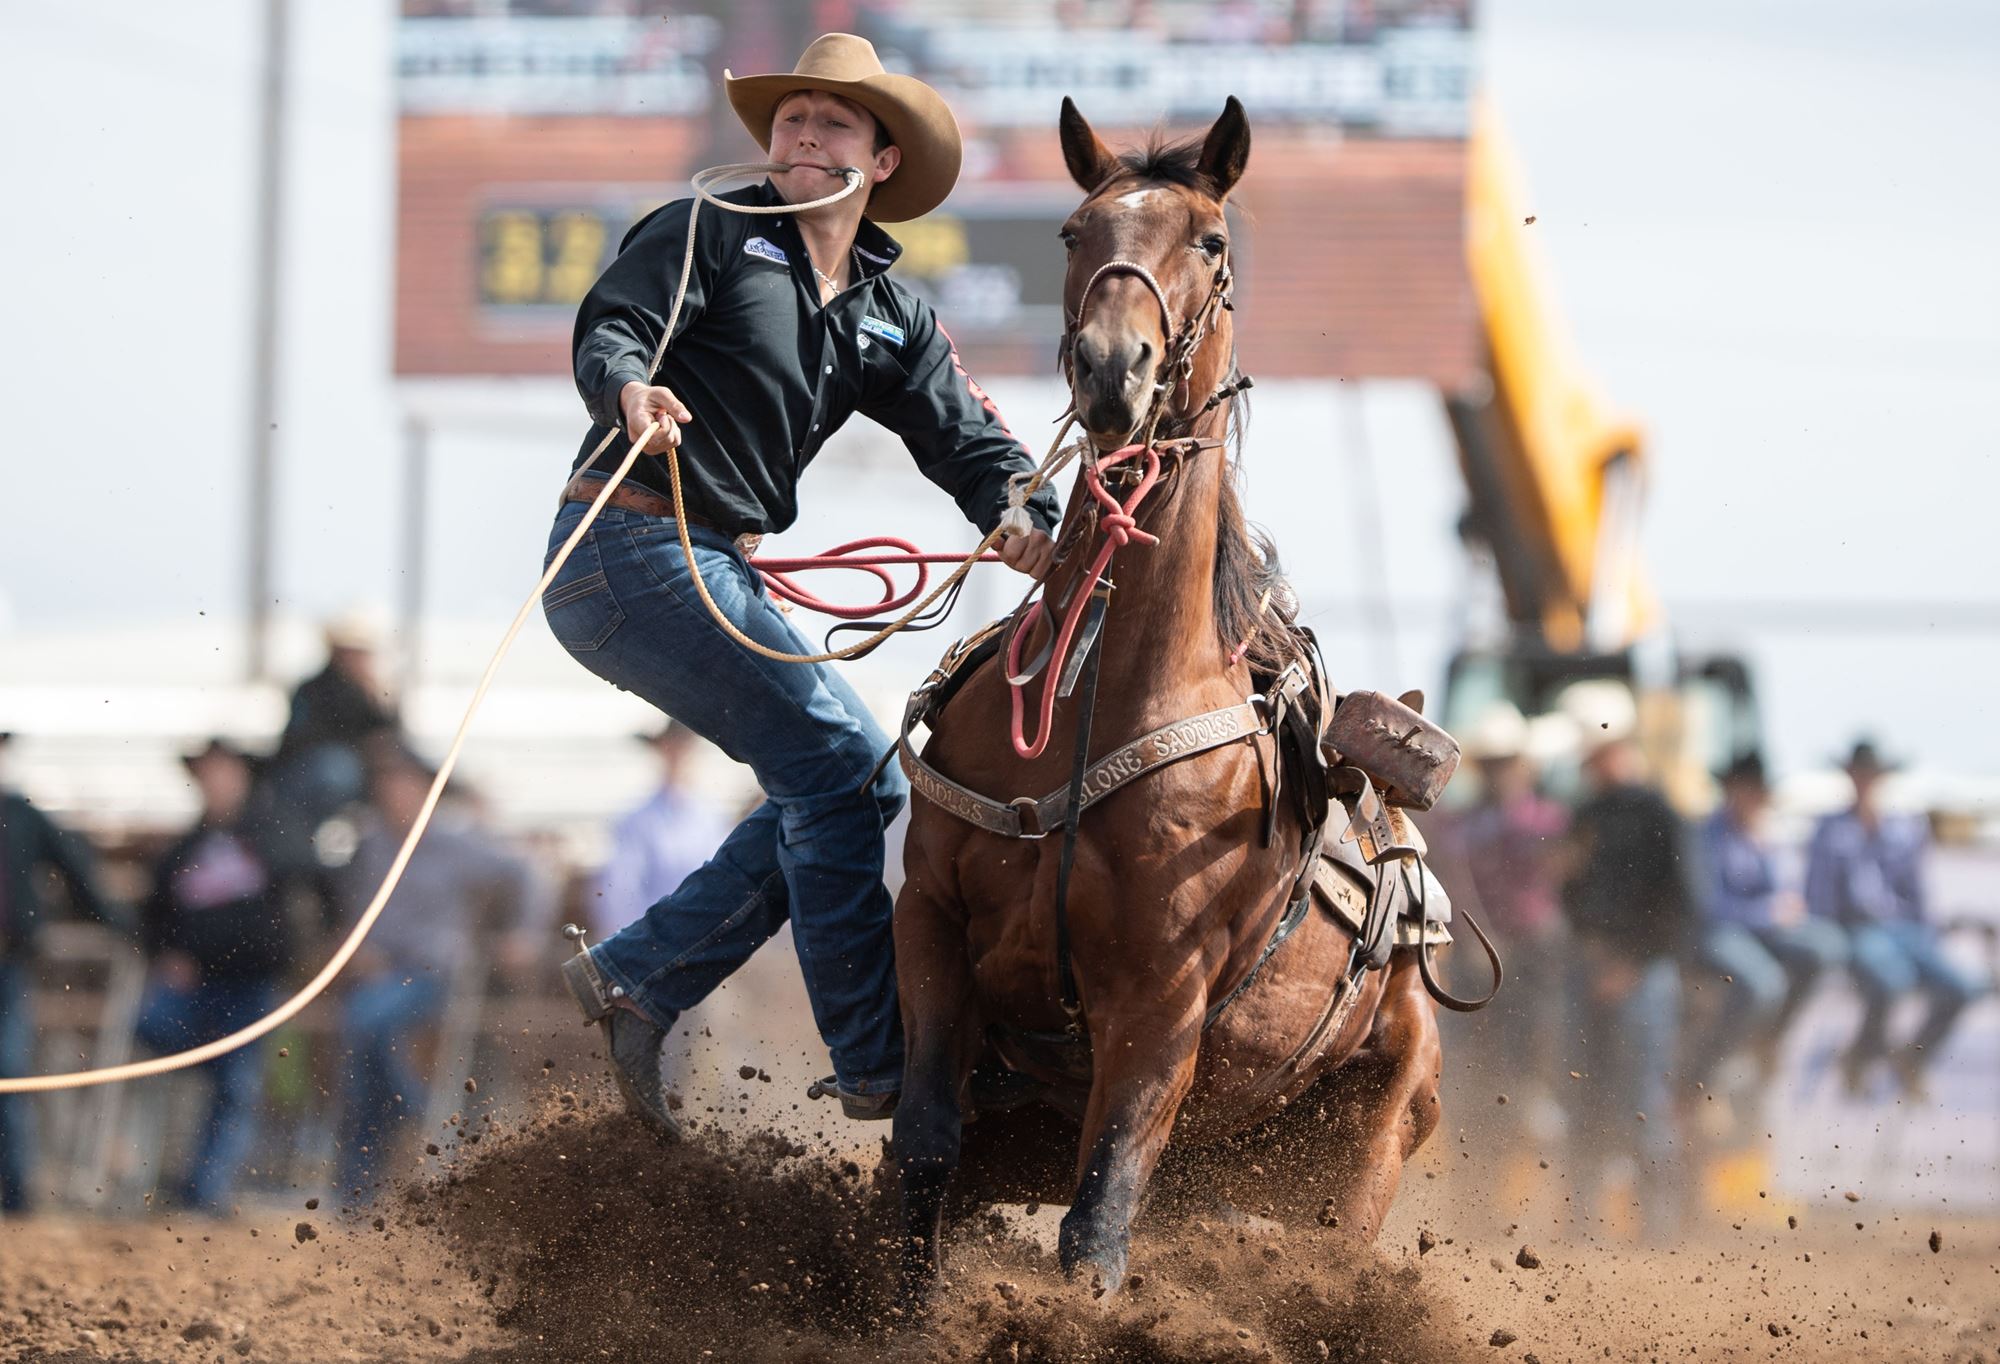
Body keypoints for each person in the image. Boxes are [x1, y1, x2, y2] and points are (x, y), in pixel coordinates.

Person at [546, 33, 1060, 1135]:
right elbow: (616, 326)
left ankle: (639, 977)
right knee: (844, 774)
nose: (803, 133)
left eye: (832, 121)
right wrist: (629, 386)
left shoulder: (888, 311)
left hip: (702, 559)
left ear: (878, 162)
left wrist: (1030, 518)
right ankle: (878, 1061)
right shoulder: (708, 232)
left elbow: (971, 444)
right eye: (791, 119)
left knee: (840, 783)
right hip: (623, 547)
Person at [333, 748, 539, 1197]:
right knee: (365, 1055)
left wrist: (524, 932)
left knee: (365, 1024)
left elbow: (525, 871)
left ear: (426, 789)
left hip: (435, 975)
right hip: (381, 977)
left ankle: (408, 1109)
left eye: (403, 782)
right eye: (387, 783)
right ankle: (403, 1115)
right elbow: (355, 911)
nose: (394, 792)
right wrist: (359, 947)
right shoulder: (369, 846)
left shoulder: (456, 843)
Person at [135, 738, 295, 1212]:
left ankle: (205, 1192)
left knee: (237, 1086)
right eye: (207, 774)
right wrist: (166, 954)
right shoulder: (185, 848)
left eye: (224, 772)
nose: (216, 782)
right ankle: (216, 1067)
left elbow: (291, 910)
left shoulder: (272, 839)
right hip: (194, 983)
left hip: (249, 981)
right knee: (152, 1030)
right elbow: (154, 914)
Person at [1559, 700, 1696, 1241]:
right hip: (1593, 969)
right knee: (1585, 1095)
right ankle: (1581, 1222)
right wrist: (1594, 955)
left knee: (1642, 1100)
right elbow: (1570, 891)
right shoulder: (1588, 815)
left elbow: (1681, 904)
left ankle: (1656, 1225)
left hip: (1642, 975)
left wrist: (1631, 965)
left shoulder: (1660, 814)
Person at [1806, 738, 1981, 1099]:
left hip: (1905, 931)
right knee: (1890, 980)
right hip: (1858, 931)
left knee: (1962, 986)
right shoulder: (1831, 830)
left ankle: (1911, 1059)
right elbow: (1819, 899)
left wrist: (1928, 937)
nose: (1866, 781)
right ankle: (1861, 1057)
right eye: (1860, 774)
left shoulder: (1903, 829)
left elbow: (1917, 896)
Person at [0, 731, 116, 1214]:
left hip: (7, 961)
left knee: (8, 1071)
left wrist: (117, 921)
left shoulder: (21, 816)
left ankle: (17, 1197)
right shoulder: (21, 815)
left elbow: (78, 869)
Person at [1444, 703, 1569, 1143]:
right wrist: (1474, 939)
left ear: (1523, 765)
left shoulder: (1546, 819)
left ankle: (1537, 1092)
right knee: (1469, 1039)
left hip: (1532, 945)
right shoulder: (1465, 823)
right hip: (1479, 947)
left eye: (1506, 763)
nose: (1499, 773)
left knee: (1538, 1022)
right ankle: (1467, 1109)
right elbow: (1457, 886)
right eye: (1492, 764)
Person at [1684, 753, 1846, 1089]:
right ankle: (1708, 1073)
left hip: (1760, 931)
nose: (1756, 798)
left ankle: (1769, 1039)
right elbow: (1710, 904)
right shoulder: (1707, 835)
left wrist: (1780, 907)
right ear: (1731, 791)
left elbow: (1786, 890)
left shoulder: (1768, 834)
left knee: (1827, 946)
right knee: (1764, 983)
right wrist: (1768, 913)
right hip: (1721, 931)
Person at [587, 724, 730, 939]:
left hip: (706, 936)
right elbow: (618, 890)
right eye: (674, 747)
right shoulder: (637, 820)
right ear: (662, 751)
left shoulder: (713, 819)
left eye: (686, 748)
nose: (681, 756)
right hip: (653, 938)